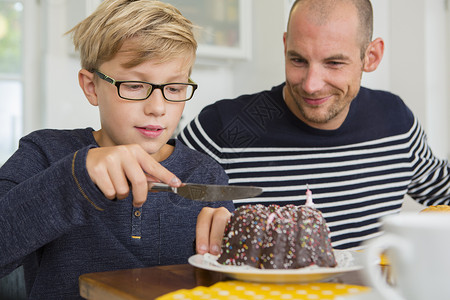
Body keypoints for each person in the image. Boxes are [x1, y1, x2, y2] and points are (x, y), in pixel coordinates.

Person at [0, 0, 234, 298]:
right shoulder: (45, 152)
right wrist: (77, 178)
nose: (158, 108)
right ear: (91, 86)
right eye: (135, 86)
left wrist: (235, 253)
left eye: (174, 89)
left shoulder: (206, 174)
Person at [179, 0, 450, 252]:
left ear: (371, 56)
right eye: (298, 60)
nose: (311, 84)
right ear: (285, 46)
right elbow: (149, 200)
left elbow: (441, 188)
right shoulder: (224, 128)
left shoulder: (396, 121)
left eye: (334, 63)